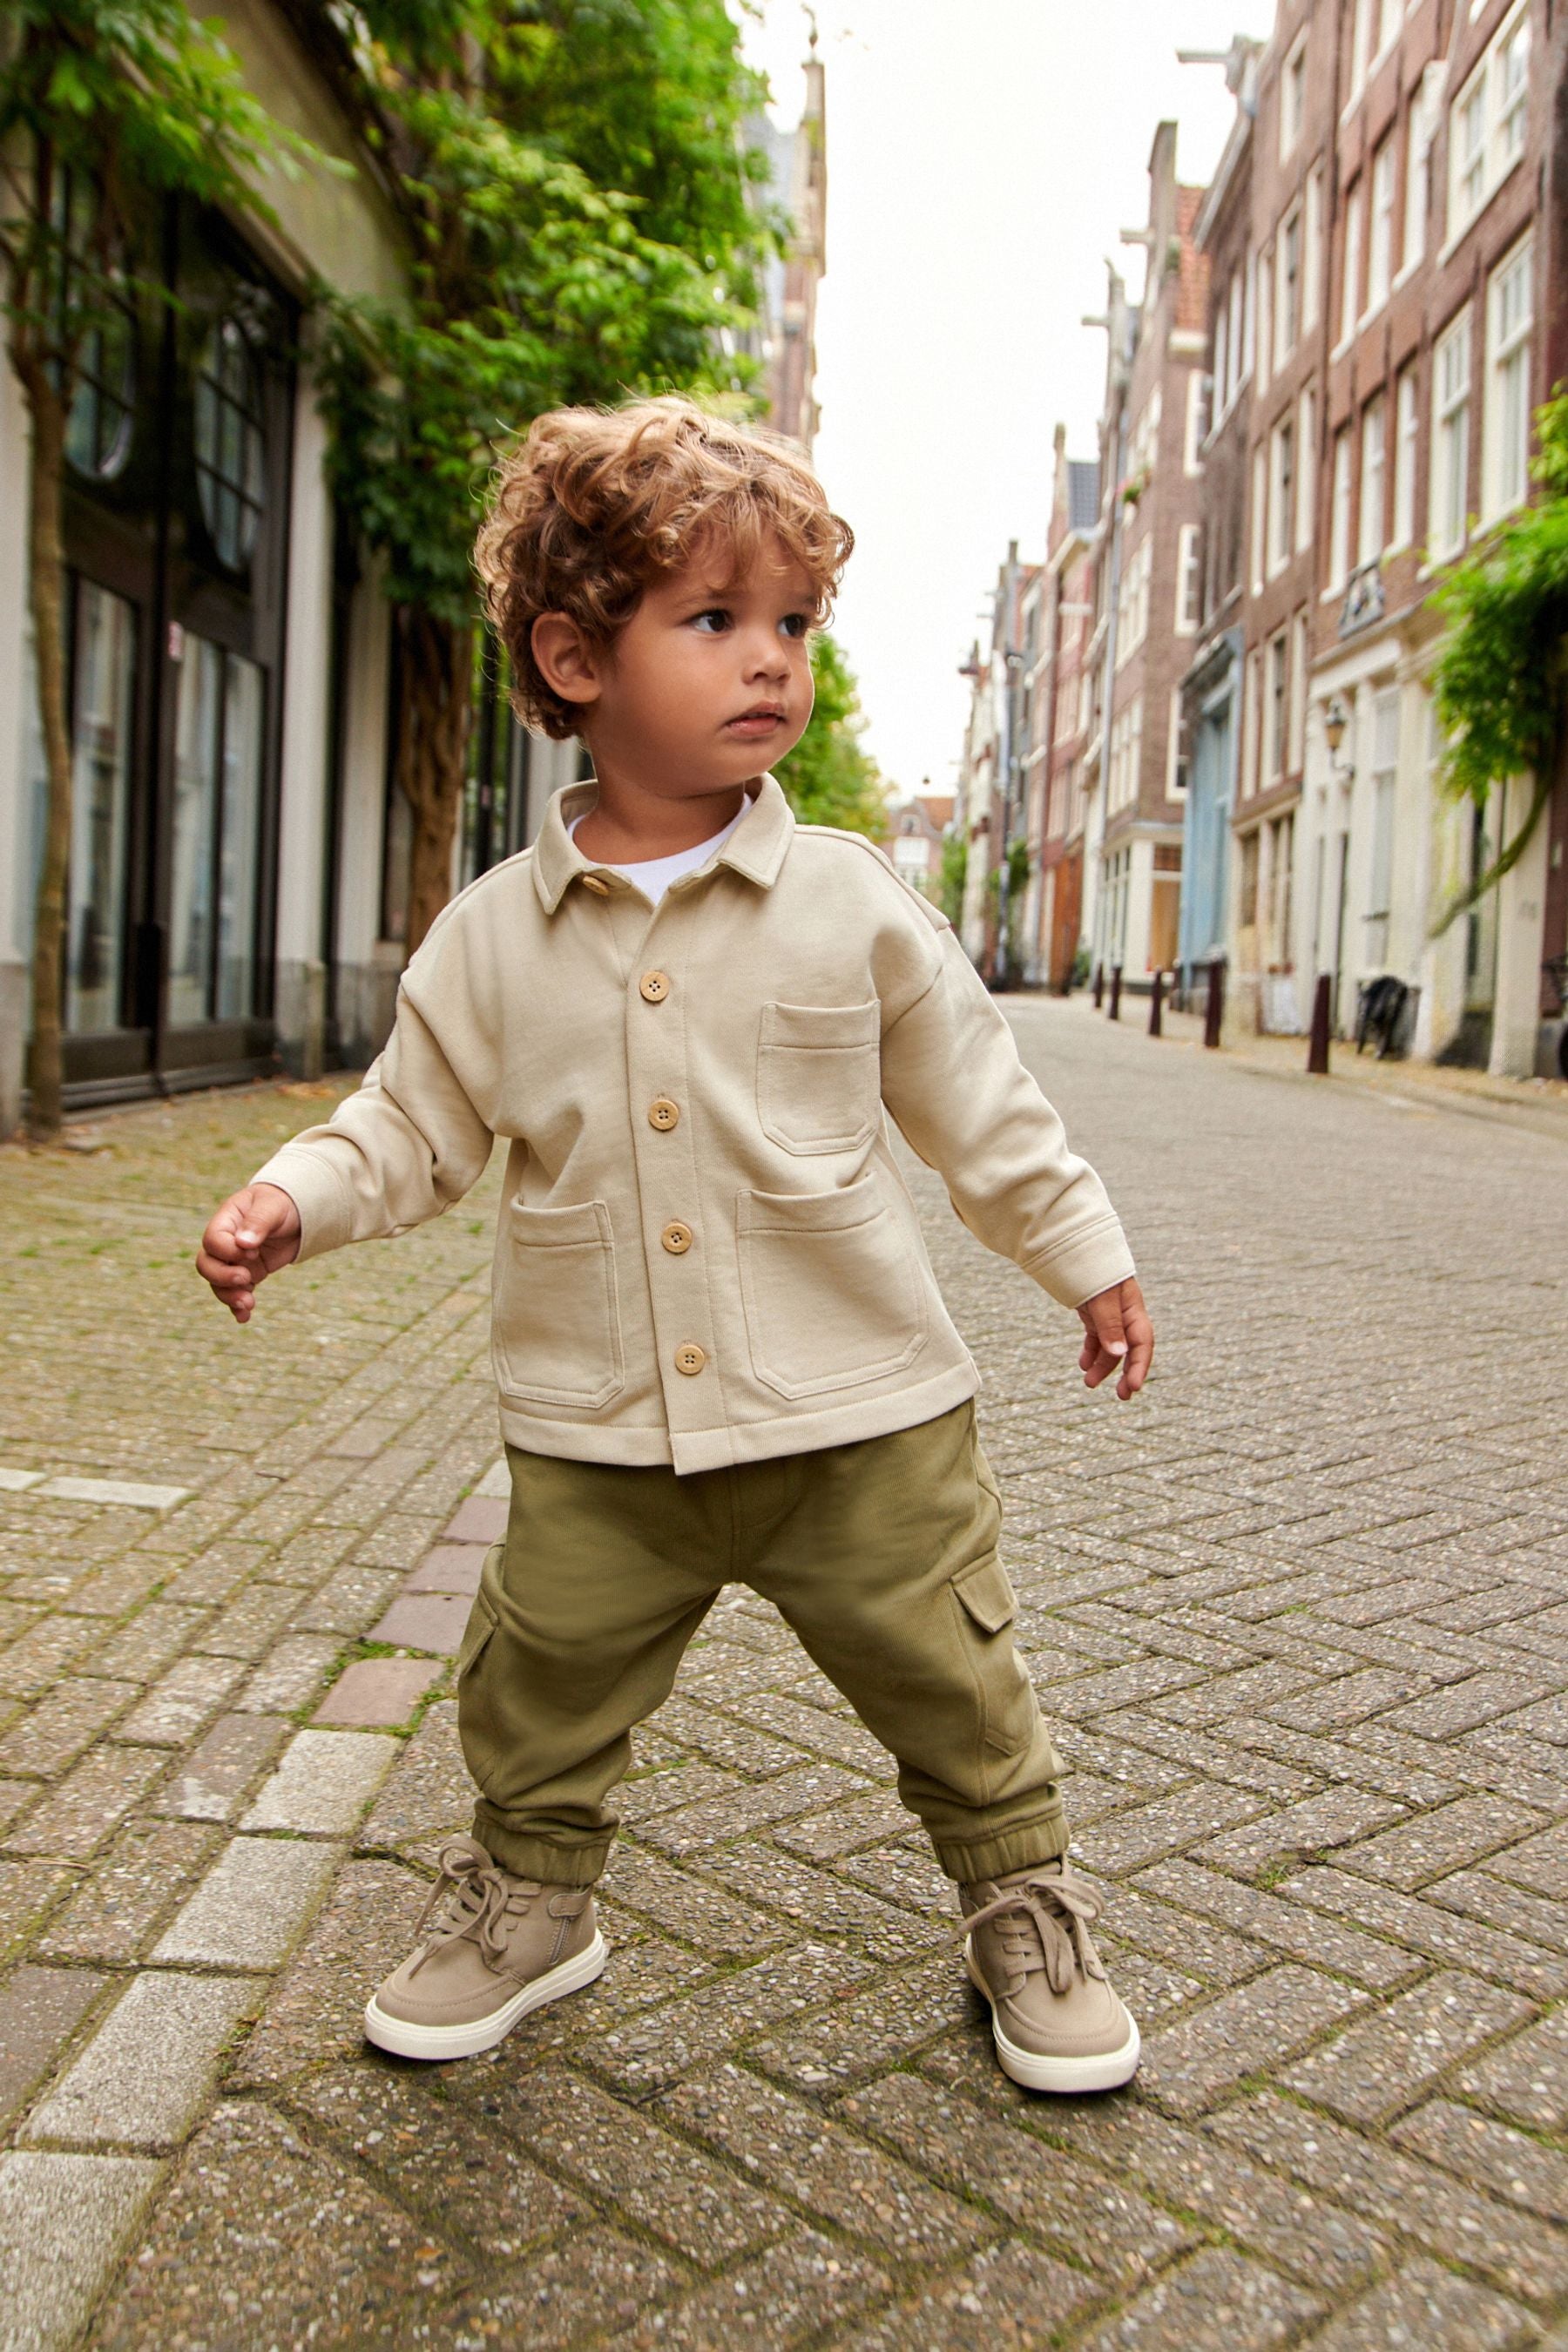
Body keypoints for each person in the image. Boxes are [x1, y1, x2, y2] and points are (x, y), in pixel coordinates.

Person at [196, 397, 1154, 2095]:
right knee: (537, 1684)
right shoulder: (491, 940)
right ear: (574, 655)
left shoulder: (852, 901)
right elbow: (409, 1129)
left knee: (953, 1677)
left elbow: (979, 1105)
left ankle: (1020, 1895)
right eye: (713, 621)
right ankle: (535, 1902)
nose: (770, 660)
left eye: (791, 622)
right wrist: (293, 1197)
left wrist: (1084, 1254)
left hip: (863, 1426)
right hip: (597, 1436)